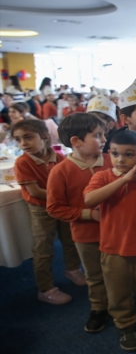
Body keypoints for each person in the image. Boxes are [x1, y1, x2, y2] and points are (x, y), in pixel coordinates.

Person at [84, 130, 136, 351]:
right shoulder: (102, 177)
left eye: (128, 154)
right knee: (117, 293)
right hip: (113, 249)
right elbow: (90, 199)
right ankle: (125, 324)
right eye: (115, 153)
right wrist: (124, 180)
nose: (120, 159)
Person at [46, 113, 112, 331]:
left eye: (104, 134)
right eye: (98, 135)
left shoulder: (112, 161)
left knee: (119, 272)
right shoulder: (61, 171)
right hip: (86, 235)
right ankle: (99, 308)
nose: (104, 140)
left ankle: (122, 305)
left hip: (118, 232)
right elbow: (54, 208)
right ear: (76, 141)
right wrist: (87, 214)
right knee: (94, 276)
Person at [11, 120, 84, 305]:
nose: (23, 144)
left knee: (70, 240)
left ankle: (73, 269)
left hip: (62, 206)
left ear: (44, 136)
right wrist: (61, 196)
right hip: (41, 209)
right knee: (43, 248)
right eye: (18, 140)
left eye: (28, 137)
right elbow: (35, 192)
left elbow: (67, 181)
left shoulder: (59, 157)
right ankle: (46, 288)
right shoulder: (23, 162)